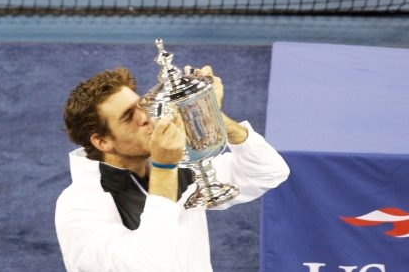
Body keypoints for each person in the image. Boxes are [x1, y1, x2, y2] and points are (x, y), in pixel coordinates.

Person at [56, 66, 290, 272]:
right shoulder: (79, 206)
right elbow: (149, 265)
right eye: (128, 117)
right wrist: (164, 166)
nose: (145, 118)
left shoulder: (177, 167)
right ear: (102, 142)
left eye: (141, 106)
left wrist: (212, 116)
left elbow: (268, 171)